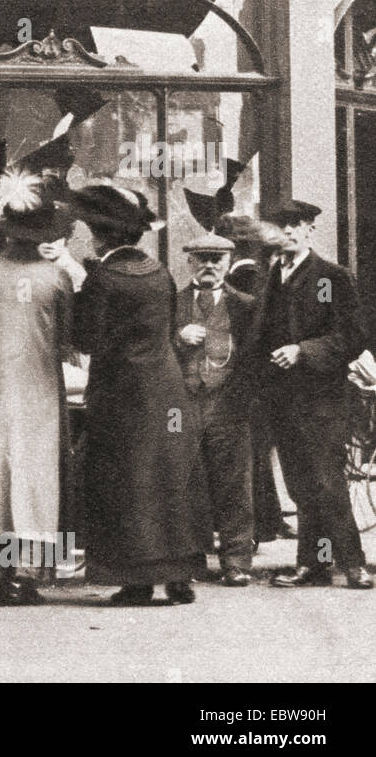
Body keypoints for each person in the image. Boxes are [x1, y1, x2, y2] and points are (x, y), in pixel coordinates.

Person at [69, 184, 202, 606]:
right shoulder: (160, 272)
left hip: (122, 394)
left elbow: (86, 339)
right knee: (170, 478)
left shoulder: (103, 279)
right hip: (167, 388)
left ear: (100, 236)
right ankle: (180, 574)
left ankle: (138, 580)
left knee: (129, 483)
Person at [0, 172, 75, 605]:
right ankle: (26, 573)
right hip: (40, 384)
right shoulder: (58, 278)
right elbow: (67, 336)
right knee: (35, 473)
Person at [255, 200, 372, 589]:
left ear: (310, 231)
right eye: (282, 225)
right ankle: (315, 563)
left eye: (297, 225)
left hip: (321, 400)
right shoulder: (274, 274)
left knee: (327, 483)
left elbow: (351, 336)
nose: (288, 232)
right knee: (302, 486)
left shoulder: (327, 277)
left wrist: (302, 351)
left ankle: (353, 564)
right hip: (284, 399)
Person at [174, 231, 257, 587]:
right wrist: (177, 338)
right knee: (186, 483)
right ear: (189, 261)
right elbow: (153, 347)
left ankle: (236, 561)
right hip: (182, 406)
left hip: (228, 406)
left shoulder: (246, 305)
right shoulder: (172, 303)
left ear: (227, 261)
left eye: (216, 259)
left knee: (234, 486)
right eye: (202, 258)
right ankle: (190, 561)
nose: (209, 265)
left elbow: (255, 359)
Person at [216, 213, 293, 545]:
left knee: (251, 455)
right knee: (258, 453)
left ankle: (261, 525)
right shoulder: (260, 274)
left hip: (246, 376)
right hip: (265, 376)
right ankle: (267, 521)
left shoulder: (242, 277)